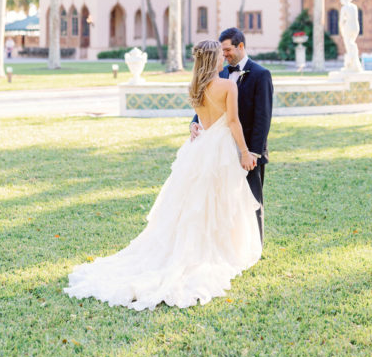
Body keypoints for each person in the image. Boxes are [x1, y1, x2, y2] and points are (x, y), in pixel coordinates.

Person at [64, 39, 262, 311]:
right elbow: (232, 122)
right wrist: (244, 151)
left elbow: (202, 118)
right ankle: (215, 250)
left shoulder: (196, 86)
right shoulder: (227, 85)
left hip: (200, 148)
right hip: (220, 150)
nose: (222, 59)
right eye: (219, 55)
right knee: (219, 200)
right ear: (213, 59)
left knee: (194, 202)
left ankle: (200, 246)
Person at [191, 27, 273, 244]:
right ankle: (232, 243)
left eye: (227, 50)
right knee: (225, 199)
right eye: (221, 51)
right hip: (221, 148)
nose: (224, 54)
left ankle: (256, 245)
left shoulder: (261, 74)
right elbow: (207, 101)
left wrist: (252, 152)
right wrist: (193, 122)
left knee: (253, 199)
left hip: (249, 150)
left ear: (241, 46)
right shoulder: (221, 74)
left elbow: (263, 117)